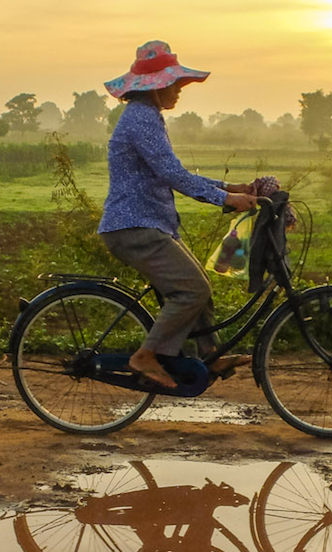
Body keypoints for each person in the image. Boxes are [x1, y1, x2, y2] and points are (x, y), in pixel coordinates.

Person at [99, 40, 257, 389]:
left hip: (150, 223)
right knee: (191, 290)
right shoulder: (141, 120)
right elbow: (175, 175)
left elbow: (176, 172)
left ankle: (210, 357)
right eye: (176, 84)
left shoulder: (147, 117)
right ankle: (146, 356)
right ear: (157, 86)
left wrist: (231, 189)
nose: (180, 91)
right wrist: (225, 199)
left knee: (198, 284)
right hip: (134, 226)